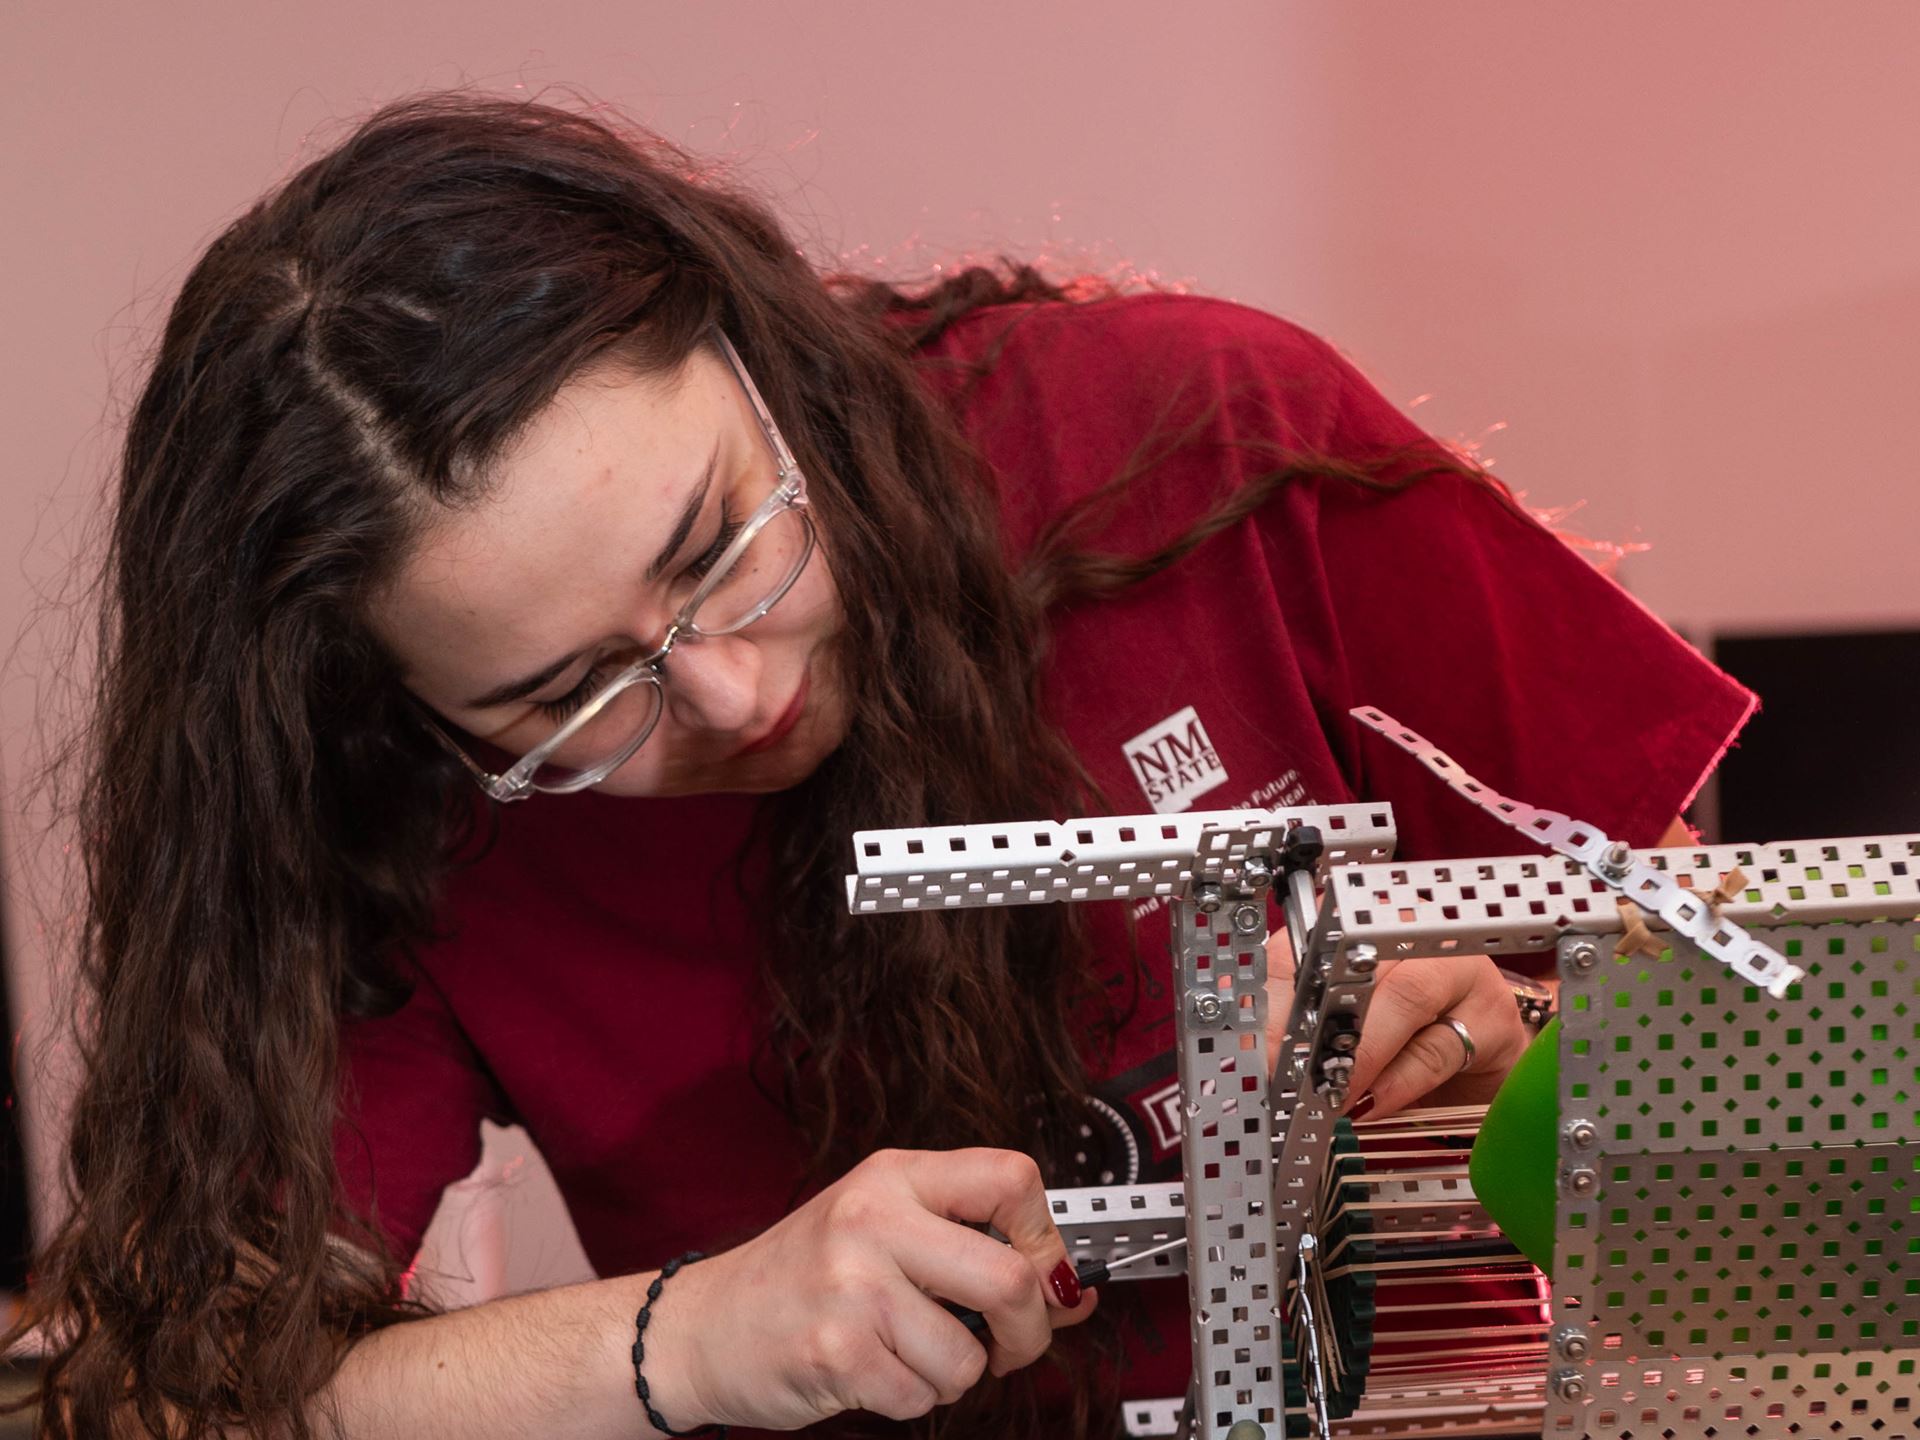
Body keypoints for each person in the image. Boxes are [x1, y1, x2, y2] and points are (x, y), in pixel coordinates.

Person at [9, 92, 1752, 1440]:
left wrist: (1531, 1040)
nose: (735, 689)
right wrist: (695, 1333)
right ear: (398, 710)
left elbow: (1730, 959)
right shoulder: (394, 807)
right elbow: (188, 1383)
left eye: (718, 543)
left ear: (756, 347)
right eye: (571, 701)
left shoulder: (1189, 436)